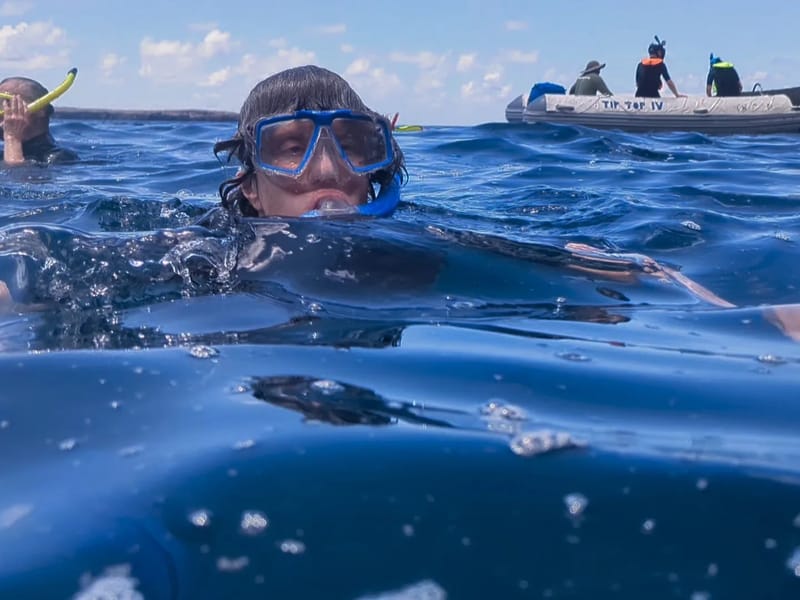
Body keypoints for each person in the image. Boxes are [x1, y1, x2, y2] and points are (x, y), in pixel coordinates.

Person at [213, 65, 406, 218]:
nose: (328, 170)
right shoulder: (209, 258)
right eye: (294, 149)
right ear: (250, 187)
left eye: (347, 147)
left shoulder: (414, 253)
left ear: (371, 174)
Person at [0, 76, 78, 165]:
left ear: (39, 111)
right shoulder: (4, 153)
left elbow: (14, 174)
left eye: (3, 105)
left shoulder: (58, 158)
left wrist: (12, 137)